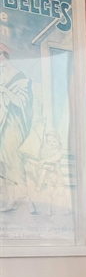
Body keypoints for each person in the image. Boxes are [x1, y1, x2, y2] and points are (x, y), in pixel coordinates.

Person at [0, 42, 37, 213]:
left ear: (3, 55)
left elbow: (23, 103)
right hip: (2, 124)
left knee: (13, 162)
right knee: (3, 163)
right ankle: (10, 201)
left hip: (13, 126)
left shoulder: (20, 78)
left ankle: (27, 200)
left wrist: (5, 91)